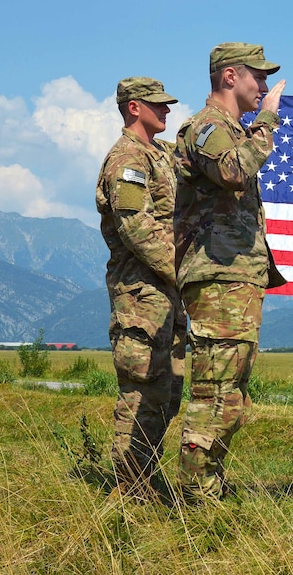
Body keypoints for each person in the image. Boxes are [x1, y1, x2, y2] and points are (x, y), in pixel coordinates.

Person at [172, 42, 287, 500]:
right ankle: (195, 498)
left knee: (232, 394)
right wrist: (268, 120)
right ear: (229, 77)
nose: (262, 87)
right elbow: (234, 172)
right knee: (214, 393)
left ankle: (207, 486)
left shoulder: (234, 131)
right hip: (217, 279)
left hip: (236, 279)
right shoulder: (205, 129)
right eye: (257, 78)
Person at [95, 76, 187, 499]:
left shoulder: (160, 154)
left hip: (168, 295)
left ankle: (145, 480)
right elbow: (136, 227)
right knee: (143, 392)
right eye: (158, 104)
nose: (167, 110)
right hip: (142, 295)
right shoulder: (127, 159)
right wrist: (185, 270)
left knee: (168, 391)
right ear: (134, 107)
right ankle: (130, 490)